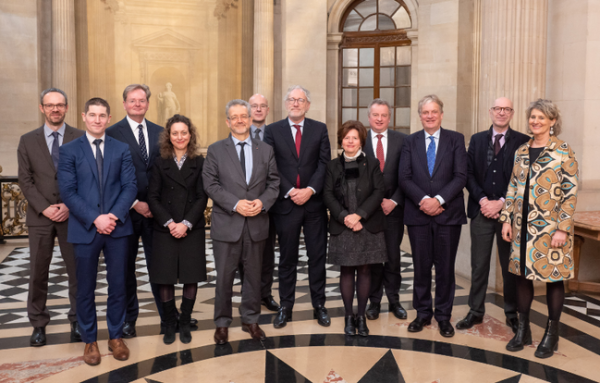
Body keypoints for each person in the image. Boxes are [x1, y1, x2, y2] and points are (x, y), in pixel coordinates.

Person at [57, 98, 137, 366]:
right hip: (84, 229)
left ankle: (115, 336)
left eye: (103, 115)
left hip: (117, 228)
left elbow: (130, 187)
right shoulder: (69, 150)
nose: (97, 120)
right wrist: (95, 218)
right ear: (84, 117)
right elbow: (68, 192)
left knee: (118, 286)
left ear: (109, 118)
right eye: (93, 115)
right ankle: (89, 339)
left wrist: (112, 216)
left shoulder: (121, 148)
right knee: (85, 288)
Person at [500, 99, 579, 359]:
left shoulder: (563, 151)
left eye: (542, 118)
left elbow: (570, 193)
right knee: (522, 276)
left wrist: (563, 229)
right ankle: (523, 331)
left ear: (553, 121)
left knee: (554, 278)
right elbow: (513, 187)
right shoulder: (522, 150)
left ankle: (551, 334)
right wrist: (506, 219)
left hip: (551, 229)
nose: (536, 121)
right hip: (522, 228)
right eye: (533, 117)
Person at [202, 99, 279, 345]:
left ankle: (250, 319)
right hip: (227, 224)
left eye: (243, 116)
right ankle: (222, 323)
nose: (239, 120)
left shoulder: (265, 149)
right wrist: (236, 204)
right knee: (224, 277)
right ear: (227, 121)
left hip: (257, 224)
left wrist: (262, 202)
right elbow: (210, 184)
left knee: (254, 277)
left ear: (250, 119)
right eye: (234, 117)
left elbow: (274, 182)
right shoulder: (215, 149)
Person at [106, 84, 176, 338]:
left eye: (141, 100)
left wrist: (155, 205)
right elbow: (109, 176)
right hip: (125, 212)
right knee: (125, 269)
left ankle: (169, 317)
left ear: (147, 103)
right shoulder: (112, 133)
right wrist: (135, 202)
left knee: (160, 266)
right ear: (124, 104)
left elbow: (165, 172)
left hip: (156, 213)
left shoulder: (160, 133)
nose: (137, 104)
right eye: (132, 100)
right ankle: (128, 319)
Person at [17, 88, 84, 347]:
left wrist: (69, 204)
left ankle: (77, 320)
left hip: (73, 215)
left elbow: (85, 175)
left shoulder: (80, 137)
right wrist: (45, 208)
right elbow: (25, 179)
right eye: (49, 105)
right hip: (40, 216)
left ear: (66, 107)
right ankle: (38, 324)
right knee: (37, 272)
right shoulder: (27, 140)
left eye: (59, 105)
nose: (54, 109)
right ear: (41, 108)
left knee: (78, 271)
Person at [457, 97, 530, 333]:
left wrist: (501, 203)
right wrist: (483, 201)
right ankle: (475, 311)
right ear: (490, 111)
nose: (501, 112)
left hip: (509, 215)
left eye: (506, 109)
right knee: (479, 265)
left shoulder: (522, 141)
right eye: (497, 108)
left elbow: (522, 179)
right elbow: (468, 174)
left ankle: (512, 313)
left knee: (510, 265)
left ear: (512, 113)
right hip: (481, 211)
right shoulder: (477, 140)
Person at [398, 94, 467, 338]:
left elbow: (461, 176)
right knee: (421, 267)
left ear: (441, 114)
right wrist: (423, 201)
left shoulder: (455, 139)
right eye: (425, 112)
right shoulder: (410, 141)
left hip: (448, 214)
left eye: (434, 111)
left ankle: (443, 317)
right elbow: (404, 177)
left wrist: (438, 200)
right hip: (418, 215)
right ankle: (423, 313)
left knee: (446, 269)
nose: (429, 116)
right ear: (420, 116)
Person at [264, 85, 331, 329]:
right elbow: (270, 166)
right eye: (291, 99)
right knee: (287, 258)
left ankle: (319, 306)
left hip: (313, 205)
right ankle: (286, 307)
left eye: (300, 100)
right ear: (286, 104)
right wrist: (291, 191)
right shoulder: (272, 131)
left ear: (307, 104)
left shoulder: (320, 129)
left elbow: (324, 164)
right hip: (286, 204)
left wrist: (310, 190)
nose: (295, 103)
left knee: (317, 257)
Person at [147, 114, 207, 345]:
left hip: (192, 227)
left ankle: (185, 322)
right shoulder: (159, 162)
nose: (179, 137)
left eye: (184, 132)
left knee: (191, 276)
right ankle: (170, 323)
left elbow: (202, 197)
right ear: (168, 136)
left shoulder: (199, 162)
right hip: (166, 228)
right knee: (165, 277)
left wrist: (186, 224)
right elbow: (153, 197)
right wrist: (171, 223)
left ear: (190, 135)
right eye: (175, 133)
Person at [323, 120, 386, 336]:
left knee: (366, 270)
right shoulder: (332, 165)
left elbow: (379, 191)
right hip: (343, 226)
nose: (350, 141)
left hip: (367, 224)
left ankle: (361, 317)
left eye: (355, 138)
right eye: (347, 137)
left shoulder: (373, 163)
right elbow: (328, 195)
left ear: (361, 141)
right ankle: (349, 316)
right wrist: (345, 217)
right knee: (347, 270)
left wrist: (359, 215)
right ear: (341, 140)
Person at [362, 99, 408, 321]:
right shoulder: (359, 140)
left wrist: (394, 201)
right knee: (372, 258)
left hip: (393, 210)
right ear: (368, 117)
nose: (379, 119)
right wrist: (369, 204)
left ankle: (394, 300)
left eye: (383, 115)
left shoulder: (403, 141)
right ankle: (374, 301)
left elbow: (408, 175)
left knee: (392, 257)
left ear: (389, 118)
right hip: (369, 212)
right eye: (375, 115)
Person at [237, 94, 279, 312]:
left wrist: (264, 201)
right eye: (254, 106)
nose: (259, 109)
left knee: (267, 253)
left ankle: (265, 293)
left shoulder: (276, 134)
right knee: (244, 253)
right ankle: (248, 293)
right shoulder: (236, 134)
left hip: (269, 205)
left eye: (263, 106)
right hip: (242, 206)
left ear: (268, 110)